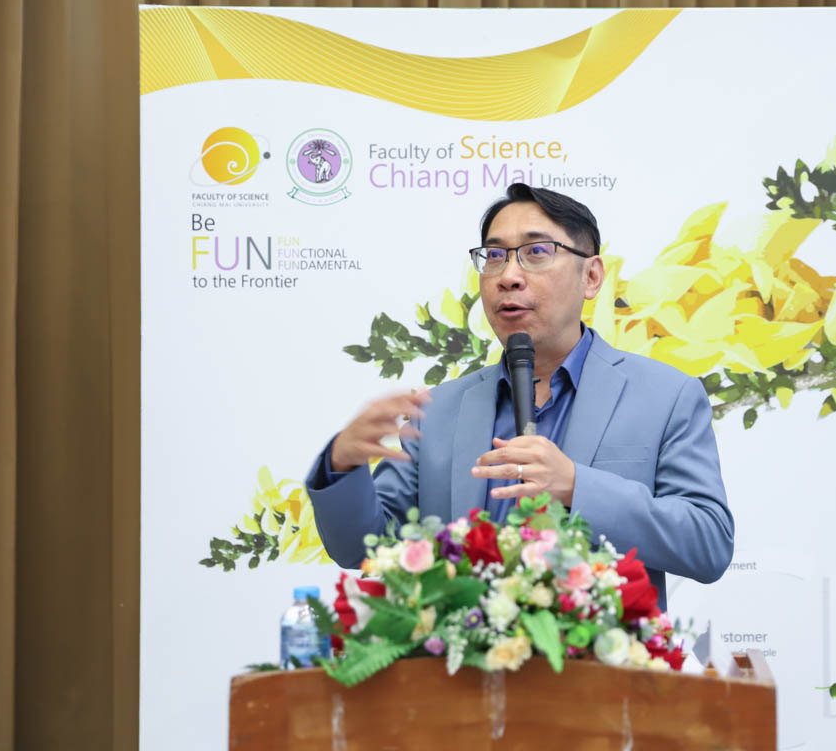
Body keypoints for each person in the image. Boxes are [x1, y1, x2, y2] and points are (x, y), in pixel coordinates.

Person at [305, 184, 733, 607]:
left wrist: (578, 487)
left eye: (537, 252)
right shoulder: (438, 412)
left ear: (591, 277)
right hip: (464, 649)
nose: (508, 276)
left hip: (603, 651)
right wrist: (343, 464)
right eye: (494, 256)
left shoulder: (666, 396)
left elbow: (708, 542)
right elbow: (364, 548)